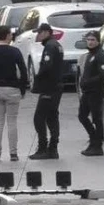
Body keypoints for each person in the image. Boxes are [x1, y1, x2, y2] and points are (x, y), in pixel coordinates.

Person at [0, 25, 29, 162]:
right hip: (12, 89)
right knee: (12, 122)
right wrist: (22, 88)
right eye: (11, 34)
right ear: (8, 35)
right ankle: (13, 153)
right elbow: (23, 70)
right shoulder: (15, 52)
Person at [29, 23, 64, 160]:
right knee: (52, 117)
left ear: (46, 33)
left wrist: (38, 80)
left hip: (50, 87)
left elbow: (47, 67)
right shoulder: (56, 45)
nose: (38, 35)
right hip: (56, 86)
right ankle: (53, 148)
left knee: (39, 118)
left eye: (39, 33)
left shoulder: (50, 46)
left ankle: (43, 147)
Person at [78, 30, 104, 157]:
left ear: (98, 41)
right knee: (82, 116)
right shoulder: (90, 54)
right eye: (88, 40)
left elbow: (102, 75)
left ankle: (97, 145)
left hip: (96, 91)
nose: (90, 42)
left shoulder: (100, 55)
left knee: (96, 119)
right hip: (87, 92)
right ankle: (93, 138)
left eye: (93, 40)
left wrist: (88, 82)